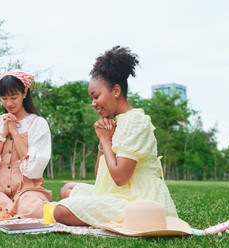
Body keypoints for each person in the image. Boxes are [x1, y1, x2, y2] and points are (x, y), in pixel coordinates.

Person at [53, 46, 178, 227]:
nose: (93, 104)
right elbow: (100, 176)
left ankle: (119, 219)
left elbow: (120, 177)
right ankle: (95, 213)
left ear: (116, 91)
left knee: (61, 210)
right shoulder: (114, 123)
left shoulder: (136, 121)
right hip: (117, 193)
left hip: (139, 200)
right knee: (67, 190)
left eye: (96, 97)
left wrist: (105, 139)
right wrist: (103, 142)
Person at [0, 71, 52, 218]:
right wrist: (2, 135)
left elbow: (33, 170)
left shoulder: (37, 123)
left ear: (24, 93)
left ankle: (6, 211)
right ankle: (11, 211)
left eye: (14, 97)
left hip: (27, 193)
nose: (9, 103)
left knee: (33, 207)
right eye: (4, 98)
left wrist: (14, 131)